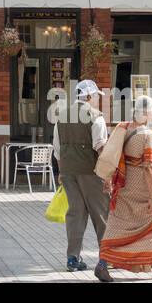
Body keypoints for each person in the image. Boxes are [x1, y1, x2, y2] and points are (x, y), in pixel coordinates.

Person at [95, 95, 152, 282]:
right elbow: (148, 166)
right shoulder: (147, 135)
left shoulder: (123, 128)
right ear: (148, 113)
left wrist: (108, 180)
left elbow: (113, 154)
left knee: (117, 225)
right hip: (142, 187)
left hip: (124, 186)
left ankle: (102, 263)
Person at [52, 78, 109, 272]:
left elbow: (57, 149)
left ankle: (72, 259)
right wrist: (109, 174)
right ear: (90, 96)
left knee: (75, 214)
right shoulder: (96, 116)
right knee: (101, 214)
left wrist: (61, 172)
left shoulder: (61, 116)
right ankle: (107, 258)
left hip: (68, 172)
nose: (97, 101)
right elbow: (100, 147)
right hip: (91, 172)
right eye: (96, 97)